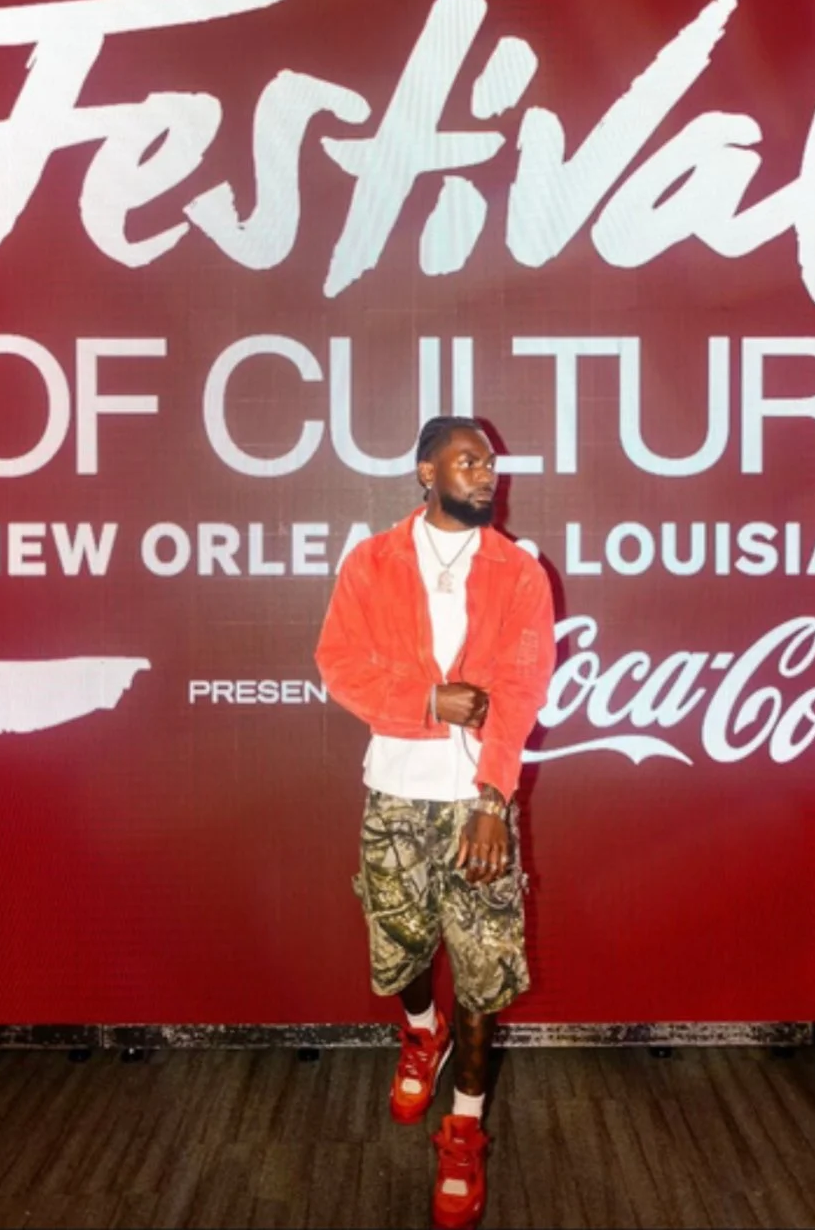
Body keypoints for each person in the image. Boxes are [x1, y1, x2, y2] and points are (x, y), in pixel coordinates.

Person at [315, 415, 556, 1229]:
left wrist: (493, 800)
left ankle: (463, 1129)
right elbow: (336, 663)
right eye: (467, 459)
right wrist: (425, 702)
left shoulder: (520, 570)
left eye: (490, 460)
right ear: (426, 471)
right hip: (394, 793)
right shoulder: (372, 561)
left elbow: (521, 691)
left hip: (477, 803)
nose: (487, 472)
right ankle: (423, 1030)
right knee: (400, 953)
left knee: (484, 975)